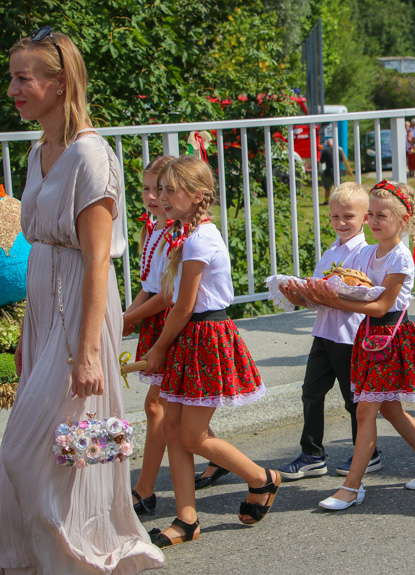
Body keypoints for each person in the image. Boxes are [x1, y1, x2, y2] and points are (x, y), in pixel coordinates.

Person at [0, 27, 165, 572]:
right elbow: (40, 254)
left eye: (23, 78)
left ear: (59, 81)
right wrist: (28, 334)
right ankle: (53, 559)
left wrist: (91, 351)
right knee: (52, 452)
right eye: (12, 77)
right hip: (47, 310)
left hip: (81, 312)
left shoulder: (91, 156)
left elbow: (96, 261)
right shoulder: (38, 151)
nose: (13, 89)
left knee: (46, 452)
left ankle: (91, 556)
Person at [143, 156, 279, 548]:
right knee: (173, 428)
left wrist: (157, 348)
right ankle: (186, 519)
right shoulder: (187, 234)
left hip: (205, 335)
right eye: (161, 189)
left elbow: (183, 305)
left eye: (172, 189)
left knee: (193, 436)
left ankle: (261, 477)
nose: (163, 197)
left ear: (199, 194)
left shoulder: (200, 238)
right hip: (191, 336)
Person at [294, 180, 415, 510]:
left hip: (391, 337)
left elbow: (380, 306)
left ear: (403, 221)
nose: (374, 221)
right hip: (368, 336)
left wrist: (336, 300)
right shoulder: (366, 251)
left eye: (383, 215)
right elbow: (354, 286)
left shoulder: (401, 258)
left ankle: (351, 487)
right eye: (372, 214)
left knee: (365, 412)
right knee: (389, 408)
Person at [277, 182, 383, 479]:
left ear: (365, 218)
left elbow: (365, 293)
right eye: (335, 217)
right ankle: (312, 454)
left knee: (354, 399)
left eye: (348, 216)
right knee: (311, 391)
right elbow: (318, 297)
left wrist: (329, 294)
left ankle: (368, 453)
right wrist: (297, 295)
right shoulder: (330, 252)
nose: (341, 223)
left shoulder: (366, 253)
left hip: (350, 336)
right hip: (324, 332)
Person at [122, 155, 175, 517]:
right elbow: (148, 286)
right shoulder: (151, 228)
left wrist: (128, 317)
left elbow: (168, 295)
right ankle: (227, 464)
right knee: (173, 409)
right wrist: (127, 317)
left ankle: (145, 488)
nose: (152, 196)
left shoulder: (176, 233)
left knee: (158, 406)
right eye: (146, 188)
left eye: (160, 189)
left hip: (172, 322)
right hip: (154, 318)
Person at [320, 137, 335, 205]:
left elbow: (322, 161)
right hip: (337, 172)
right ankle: (340, 202)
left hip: (328, 172)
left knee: (327, 189)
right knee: (340, 189)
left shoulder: (325, 151)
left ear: (327, 144)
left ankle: (327, 201)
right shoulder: (338, 150)